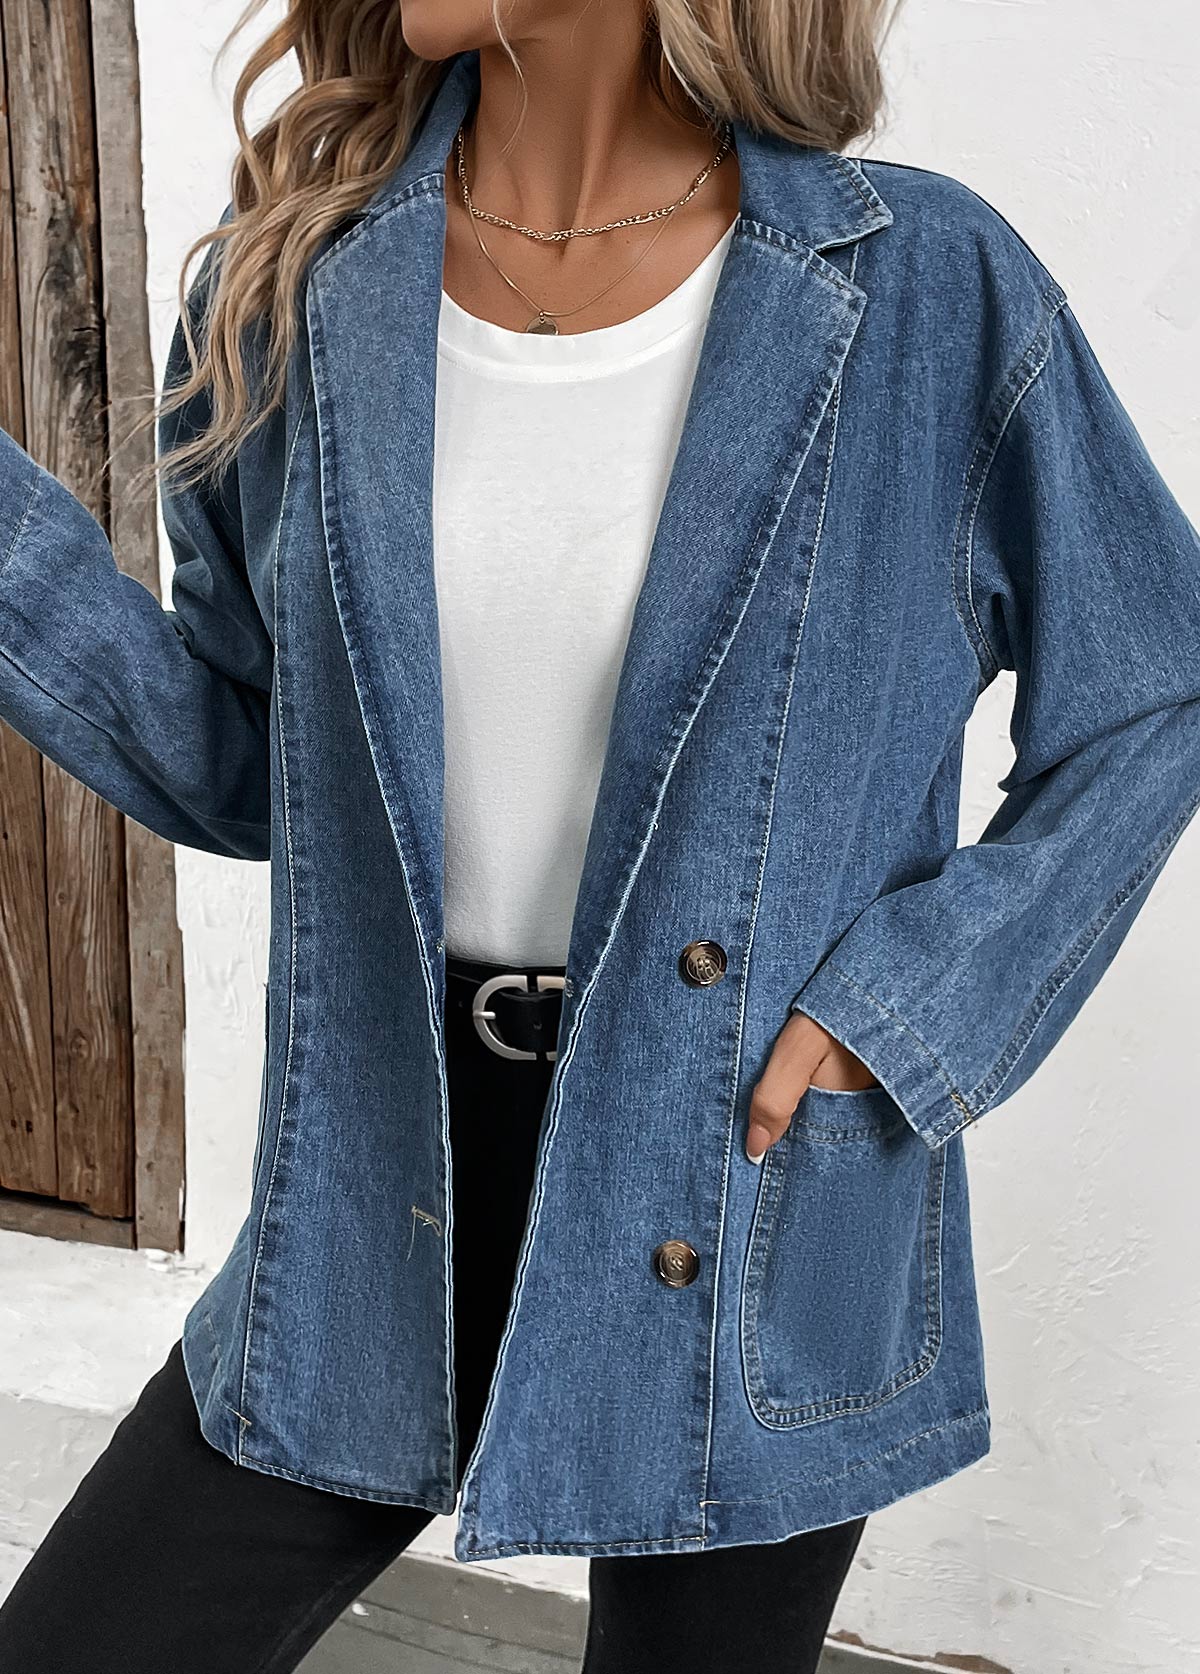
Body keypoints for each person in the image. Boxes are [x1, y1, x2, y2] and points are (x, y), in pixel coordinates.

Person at [0, 3, 1197, 1671]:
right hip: (377, 1164)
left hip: (742, 1173)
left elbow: (1152, 682)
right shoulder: (300, 278)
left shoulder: (925, 288)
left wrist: (906, 1013)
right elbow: (251, 764)